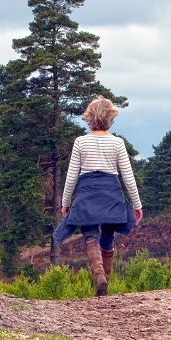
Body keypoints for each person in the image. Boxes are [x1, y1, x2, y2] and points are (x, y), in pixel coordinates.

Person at [55, 95, 143, 296]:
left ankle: (98, 275)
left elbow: (71, 177)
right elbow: (128, 178)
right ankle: (104, 290)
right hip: (111, 194)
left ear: (89, 118)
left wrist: (66, 202)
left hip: (87, 194)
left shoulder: (80, 142)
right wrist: (136, 205)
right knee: (108, 237)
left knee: (90, 237)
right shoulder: (117, 143)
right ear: (109, 117)